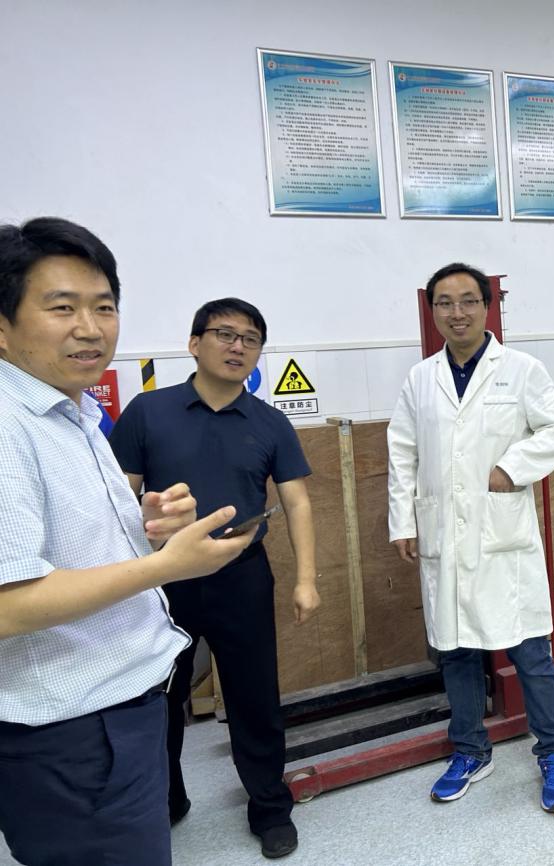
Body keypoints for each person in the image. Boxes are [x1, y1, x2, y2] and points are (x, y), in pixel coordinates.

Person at [0, 217, 254, 866]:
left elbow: (58, 538)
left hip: (116, 706)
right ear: (3, 325)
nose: (90, 328)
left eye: (104, 307)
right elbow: (7, 605)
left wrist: (143, 526)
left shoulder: (71, 410)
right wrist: (166, 565)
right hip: (73, 728)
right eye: (62, 308)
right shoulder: (9, 423)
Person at [110, 298, 320, 859]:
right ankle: (165, 801)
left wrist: (306, 579)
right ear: (194, 343)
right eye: (225, 334)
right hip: (164, 578)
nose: (237, 346)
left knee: (255, 696)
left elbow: (297, 503)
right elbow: (118, 499)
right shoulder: (148, 412)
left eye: (250, 339)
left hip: (241, 576)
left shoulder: (270, 422)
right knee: (160, 696)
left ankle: (269, 807)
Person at [387, 263, 554, 812]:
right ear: (433, 311)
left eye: (468, 301)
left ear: (487, 306)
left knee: (530, 652)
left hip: (501, 538)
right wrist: (403, 520)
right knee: (456, 652)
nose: (457, 313)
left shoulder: (520, 370)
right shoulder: (420, 379)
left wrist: (511, 468)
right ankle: (471, 751)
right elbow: (402, 451)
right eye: (445, 303)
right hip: (443, 538)